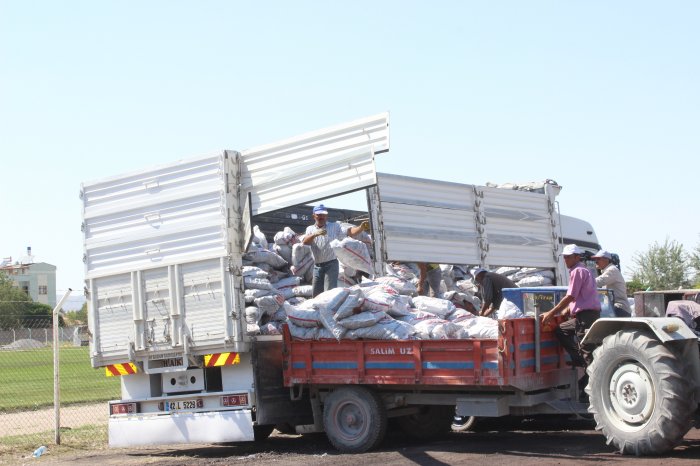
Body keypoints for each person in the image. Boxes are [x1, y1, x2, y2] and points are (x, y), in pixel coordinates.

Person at [540, 244, 601, 399]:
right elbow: (578, 297)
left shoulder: (578, 271)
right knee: (561, 330)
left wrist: (551, 313)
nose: (566, 260)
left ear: (577, 257)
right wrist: (568, 309)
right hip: (587, 314)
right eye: (565, 257)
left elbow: (570, 296)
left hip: (585, 316)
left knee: (587, 350)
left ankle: (593, 386)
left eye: (568, 257)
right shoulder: (584, 270)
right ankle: (579, 361)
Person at [302, 204, 369, 297]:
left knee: (330, 292)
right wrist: (315, 234)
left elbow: (349, 232)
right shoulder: (310, 229)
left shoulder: (334, 226)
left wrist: (360, 228)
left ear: (327, 215)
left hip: (331, 264)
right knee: (316, 293)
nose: (321, 217)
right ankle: (317, 310)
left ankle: (329, 309)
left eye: (323, 214)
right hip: (317, 266)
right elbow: (305, 242)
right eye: (319, 214)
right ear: (314, 215)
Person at [592, 249, 631, 317]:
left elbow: (598, 282)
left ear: (606, 260)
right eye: (595, 259)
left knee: (593, 316)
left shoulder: (612, 270)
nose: (596, 261)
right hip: (614, 308)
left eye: (598, 259)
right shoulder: (607, 271)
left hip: (619, 308)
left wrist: (584, 282)